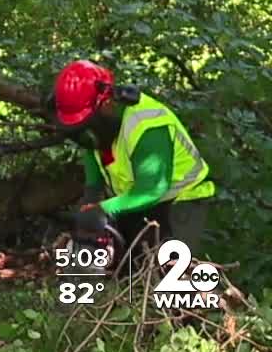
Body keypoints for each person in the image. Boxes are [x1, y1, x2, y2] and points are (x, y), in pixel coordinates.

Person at [53, 60, 216, 255]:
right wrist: (91, 197)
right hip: (135, 201)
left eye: (87, 125)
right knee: (127, 269)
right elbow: (91, 149)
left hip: (181, 202)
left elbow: (151, 189)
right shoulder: (100, 129)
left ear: (107, 103)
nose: (85, 134)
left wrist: (102, 209)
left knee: (167, 272)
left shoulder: (148, 125)